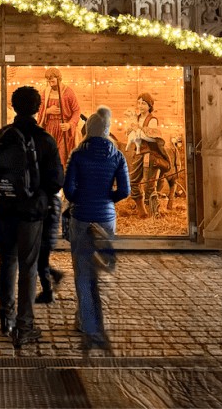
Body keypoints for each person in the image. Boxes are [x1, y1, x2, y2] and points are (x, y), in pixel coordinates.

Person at [0, 85, 64, 348]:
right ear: (38, 108)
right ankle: (25, 326)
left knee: (7, 261)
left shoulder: (0, 135)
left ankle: (6, 319)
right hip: (31, 213)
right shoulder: (45, 139)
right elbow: (55, 181)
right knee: (28, 265)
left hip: (5, 210)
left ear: (13, 106)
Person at [64, 106, 130, 350]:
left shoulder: (78, 155)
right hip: (105, 217)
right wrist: (107, 198)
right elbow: (124, 191)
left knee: (82, 269)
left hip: (81, 215)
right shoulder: (117, 155)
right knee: (100, 268)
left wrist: (82, 197)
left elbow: (68, 189)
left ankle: (86, 320)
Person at [126, 92, 164, 217]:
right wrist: (132, 129)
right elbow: (130, 133)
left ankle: (154, 212)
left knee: (149, 185)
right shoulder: (136, 119)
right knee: (132, 182)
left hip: (150, 154)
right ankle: (142, 210)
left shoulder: (152, 120)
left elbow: (153, 138)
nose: (140, 105)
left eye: (143, 103)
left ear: (149, 105)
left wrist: (139, 131)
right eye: (139, 103)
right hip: (138, 153)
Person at [37, 68, 80, 169]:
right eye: (49, 82)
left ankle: (62, 181)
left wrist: (69, 124)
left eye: (53, 81)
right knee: (49, 156)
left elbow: (77, 111)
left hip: (63, 128)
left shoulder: (68, 92)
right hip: (49, 128)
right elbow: (39, 110)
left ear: (59, 79)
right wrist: (48, 111)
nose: (51, 84)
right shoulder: (46, 92)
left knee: (62, 156)